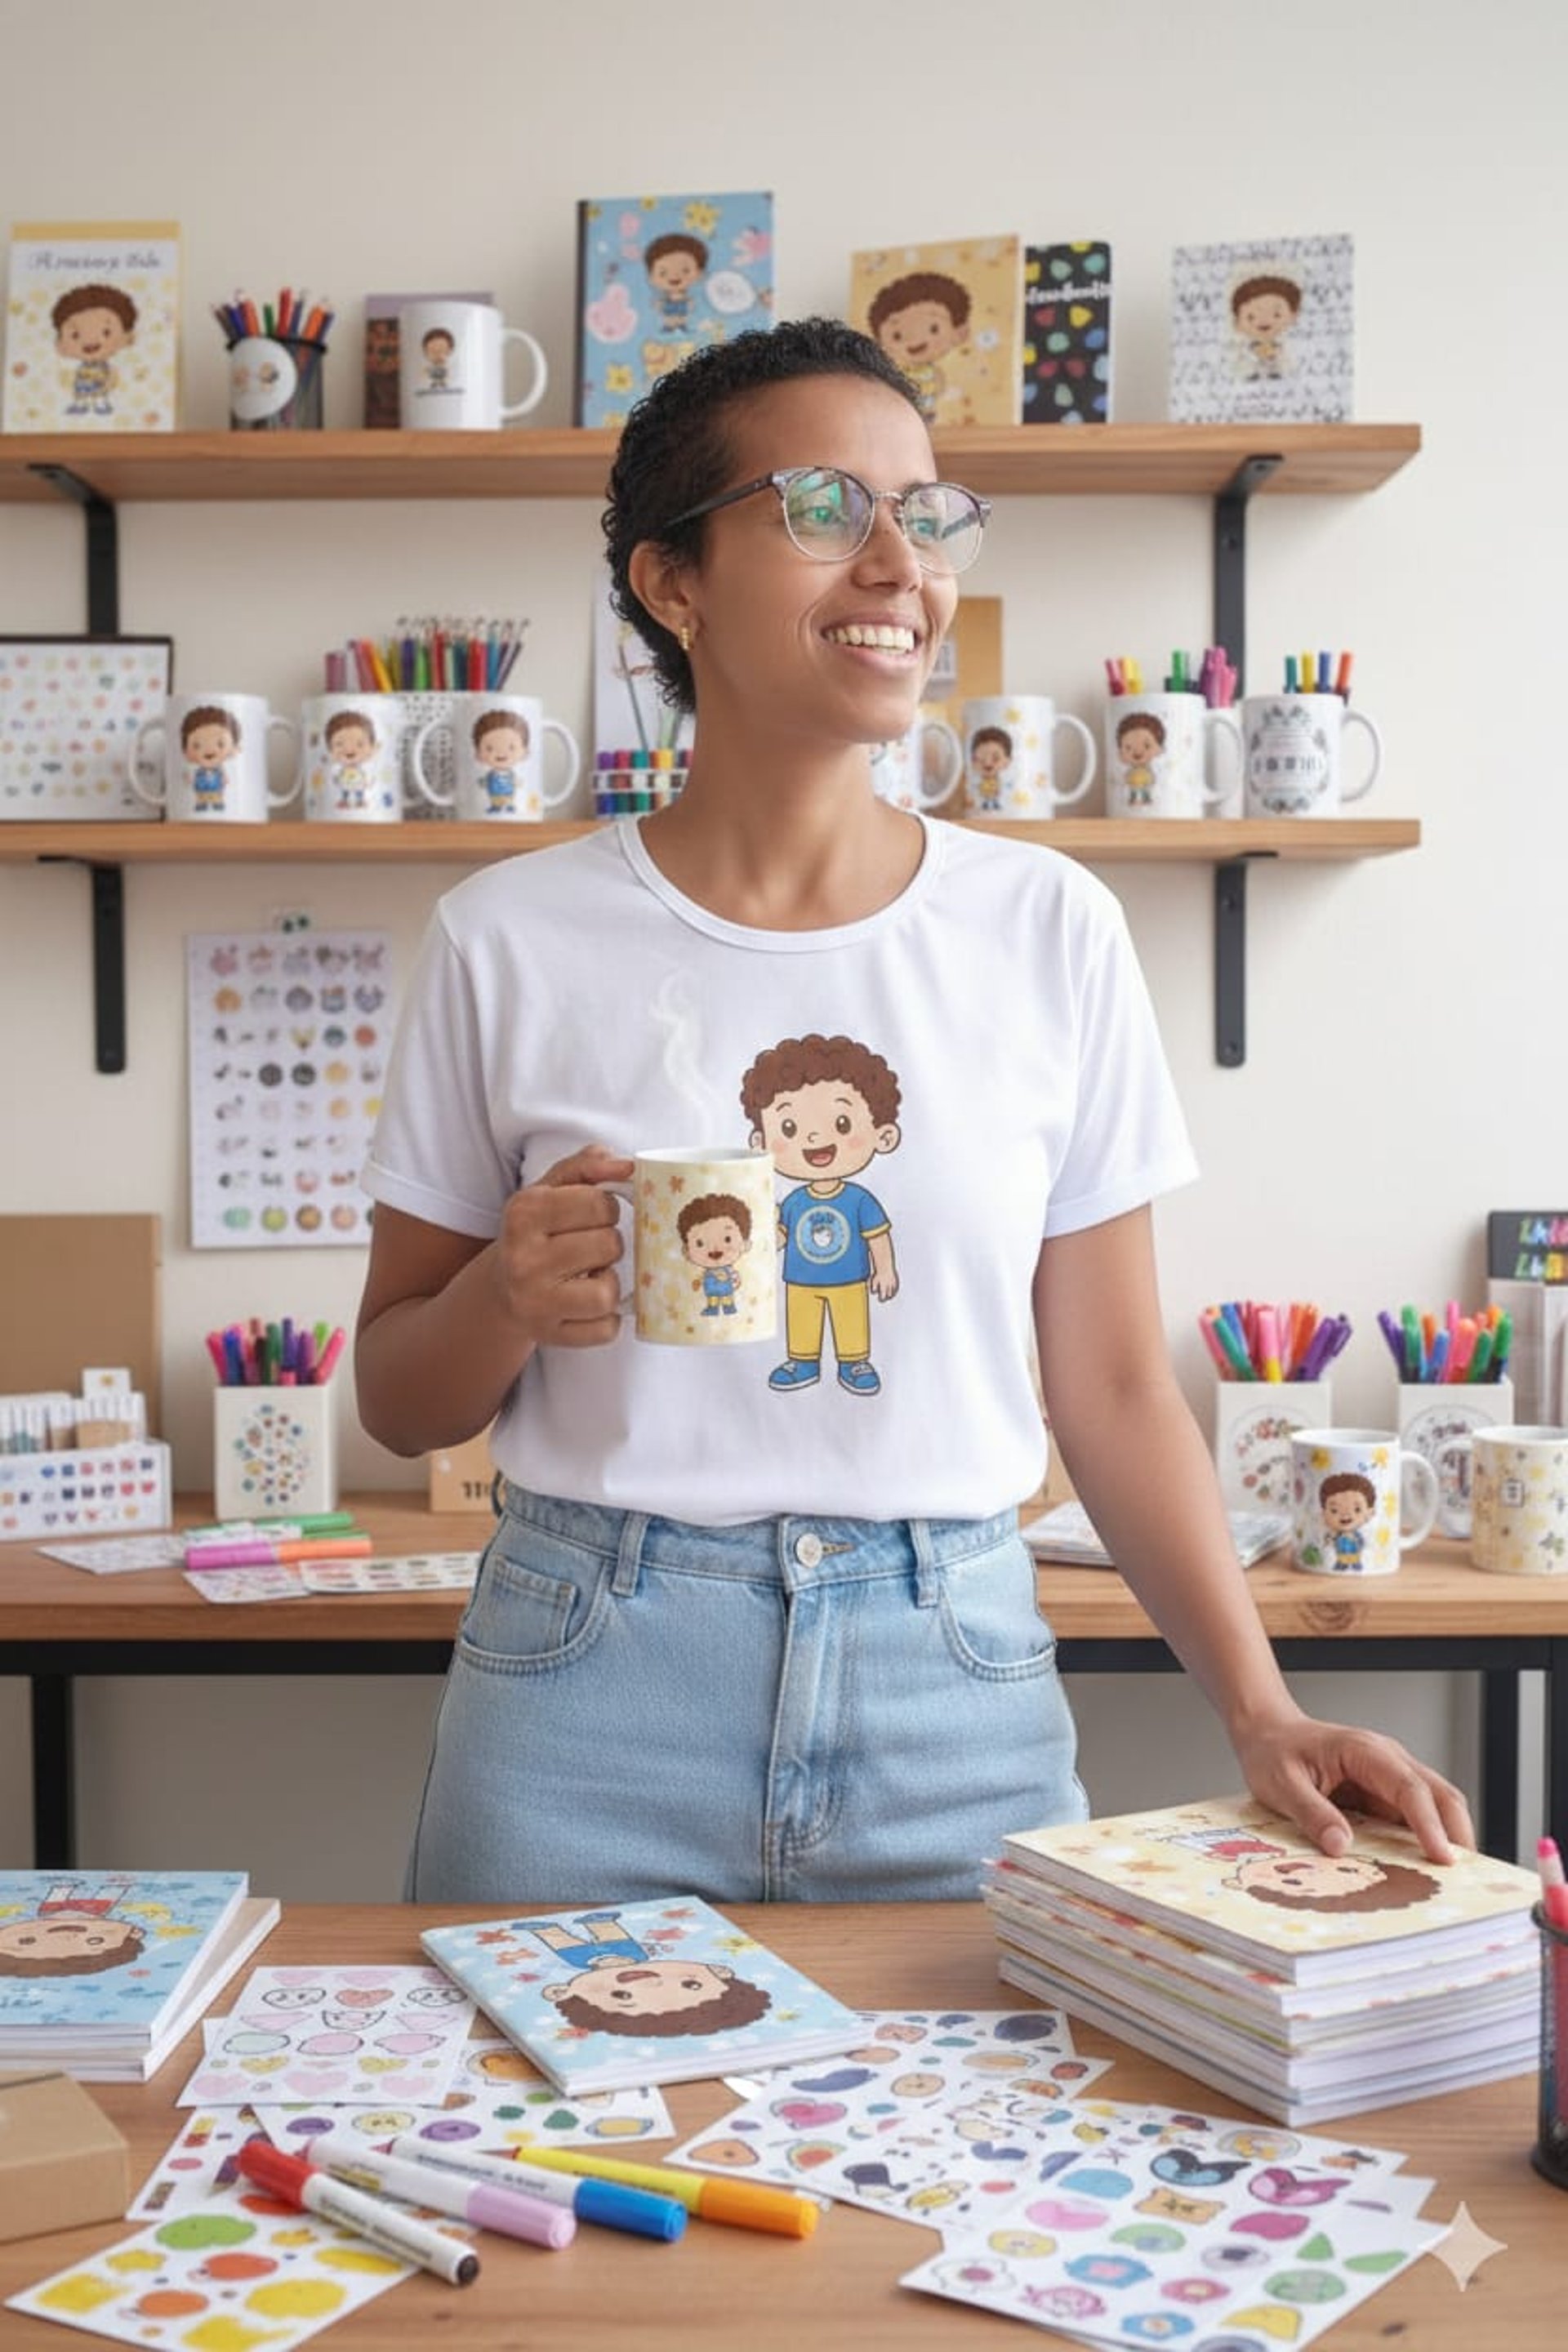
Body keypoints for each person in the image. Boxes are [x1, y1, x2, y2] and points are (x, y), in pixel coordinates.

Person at [356, 316, 1473, 1906]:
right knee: (551, 2154)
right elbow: (400, 1398)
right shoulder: (509, 937)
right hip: (586, 1681)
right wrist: (502, 1298)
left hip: (953, 1680)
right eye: (824, 509)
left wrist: (1261, 1704)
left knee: (978, 2156)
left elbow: (1109, 1390)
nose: (898, 563)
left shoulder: (1047, 928)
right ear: (671, 582)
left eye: (928, 513)